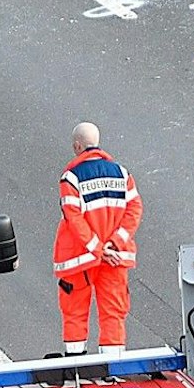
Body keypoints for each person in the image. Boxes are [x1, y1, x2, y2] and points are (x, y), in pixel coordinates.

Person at [53, 122, 142, 355]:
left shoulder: (71, 178)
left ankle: (76, 366)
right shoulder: (122, 174)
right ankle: (113, 371)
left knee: (74, 312)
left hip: (81, 259)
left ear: (77, 146)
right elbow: (134, 210)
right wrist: (115, 243)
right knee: (113, 313)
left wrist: (98, 248)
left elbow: (74, 219)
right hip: (114, 258)